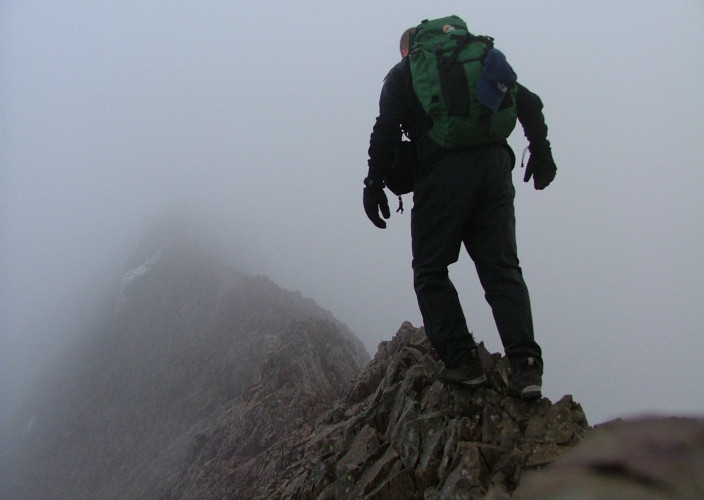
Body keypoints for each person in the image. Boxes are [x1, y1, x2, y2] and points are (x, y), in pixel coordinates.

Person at [363, 24, 557, 400]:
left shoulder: (405, 73)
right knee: (501, 269)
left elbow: (385, 129)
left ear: (409, 51)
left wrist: (373, 185)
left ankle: (463, 361)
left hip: (442, 175)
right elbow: (528, 102)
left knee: (430, 269)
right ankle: (526, 366)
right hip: (494, 169)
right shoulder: (479, 60)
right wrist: (542, 152)